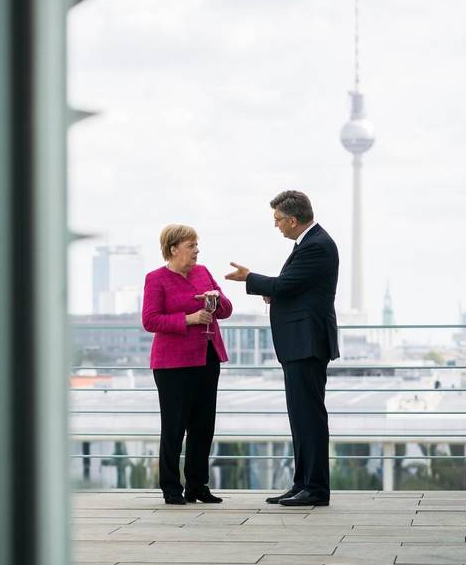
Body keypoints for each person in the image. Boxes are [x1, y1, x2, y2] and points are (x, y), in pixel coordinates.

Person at [224, 190, 339, 507]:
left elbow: (286, 285)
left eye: (277, 220)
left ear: (292, 219)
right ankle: (302, 484)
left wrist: (250, 278)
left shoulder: (317, 246)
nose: (276, 226)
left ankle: (315, 488)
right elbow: (297, 288)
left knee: (309, 418)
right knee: (301, 419)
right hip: (299, 344)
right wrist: (277, 294)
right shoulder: (308, 244)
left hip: (307, 343)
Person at [142, 224, 233, 505]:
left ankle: (197, 485)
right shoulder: (156, 279)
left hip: (207, 357)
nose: (197, 250)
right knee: (174, 426)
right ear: (173, 249)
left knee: (203, 426)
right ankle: (171, 487)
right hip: (172, 365)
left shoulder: (203, 272)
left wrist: (215, 303)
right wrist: (189, 319)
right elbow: (150, 320)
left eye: (197, 245)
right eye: (191, 245)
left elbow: (227, 309)